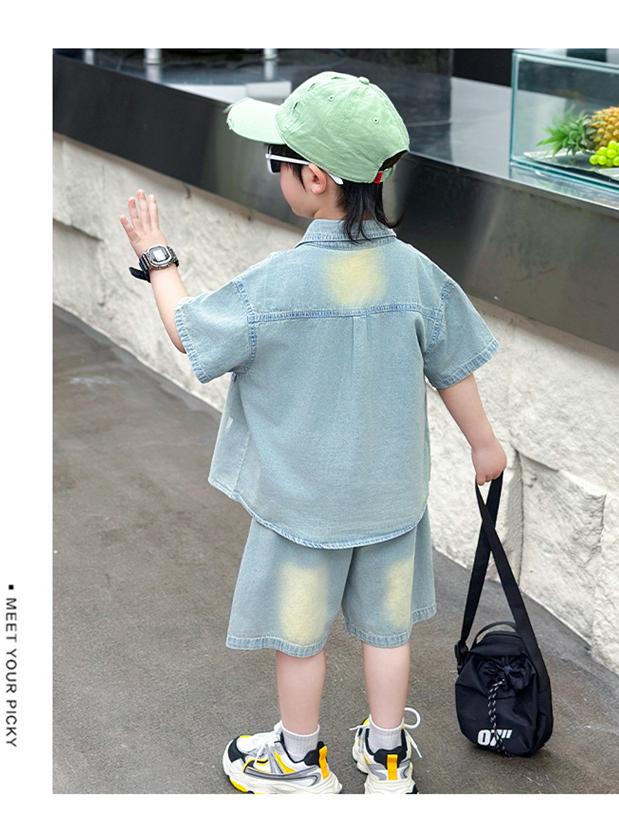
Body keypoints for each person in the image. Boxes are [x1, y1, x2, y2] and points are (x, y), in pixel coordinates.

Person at [120, 71, 507, 795]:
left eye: (278, 161)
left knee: (299, 638)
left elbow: (189, 332)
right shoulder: (415, 273)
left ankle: (298, 761)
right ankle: (387, 758)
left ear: (316, 178)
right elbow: (453, 364)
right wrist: (483, 445)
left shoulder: (279, 281)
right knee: (388, 633)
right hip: (390, 499)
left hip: (302, 506)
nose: (276, 173)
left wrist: (158, 257)